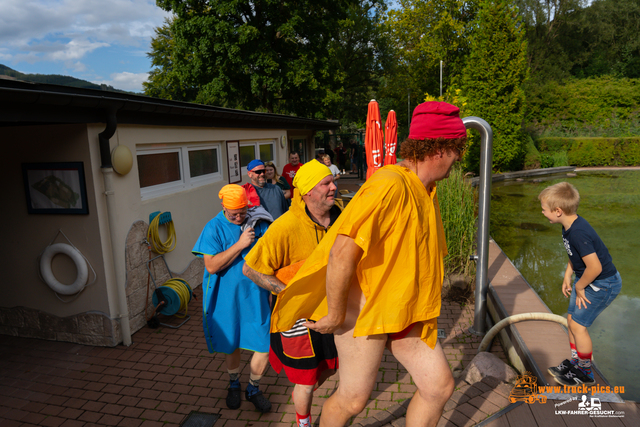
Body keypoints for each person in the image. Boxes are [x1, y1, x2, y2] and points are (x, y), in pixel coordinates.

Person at [270, 101, 466, 427]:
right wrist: (334, 312)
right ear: (439, 147)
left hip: (402, 307)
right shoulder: (389, 185)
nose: (458, 158)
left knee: (439, 387)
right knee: (354, 399)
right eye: (457, 149)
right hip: (362, 309)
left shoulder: (424, 187)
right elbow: (341, 251)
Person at [243, 160, 341, 427]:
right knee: (306, 381)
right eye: (327, 184)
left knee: (330, 369)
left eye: (333, 182)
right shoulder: (285, 227)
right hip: (298, 320)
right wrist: (290, 292)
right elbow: (250, 268)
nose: (334, 187)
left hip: (332, 313)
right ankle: (303, 422)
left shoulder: (341, 216)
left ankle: (305, 399)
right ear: (308, 191)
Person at [192, 184, 272, 413]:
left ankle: (254, 388)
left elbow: (272, 255)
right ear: (223, 207)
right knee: (232, 343)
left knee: (264, 345)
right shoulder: (213, 227)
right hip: (226, 297)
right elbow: (212, 265)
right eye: (233, 213)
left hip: (257, 296)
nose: (238, 217)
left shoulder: (258, 223)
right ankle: (234, 385)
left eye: (243, 211)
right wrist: (240, 244)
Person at [539, 182, 621, 387]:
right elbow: (574, 255)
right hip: (585, 280)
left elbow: (595, 267)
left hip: (601, 283)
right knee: (571, 321)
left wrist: (579, 286)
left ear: (558, 211)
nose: (542, 213)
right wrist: (568, 275)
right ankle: (576, 364)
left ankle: (585, 373)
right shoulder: (569, 227)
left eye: (544, 209)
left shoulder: (578, 232)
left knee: (578, 325)